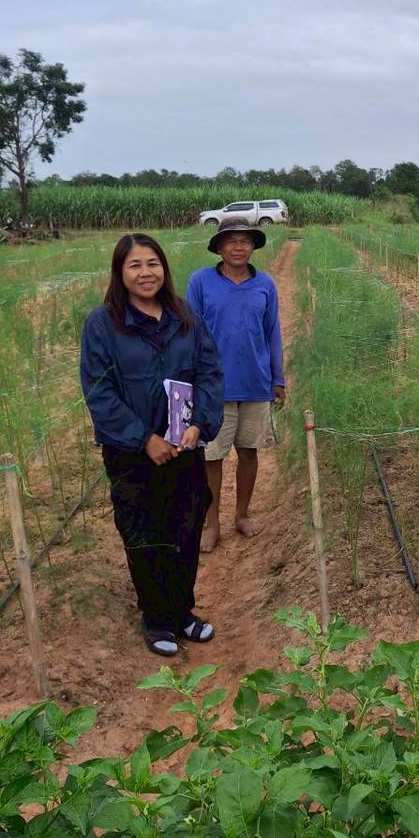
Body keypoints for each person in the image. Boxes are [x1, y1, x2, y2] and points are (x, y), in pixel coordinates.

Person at [80, 234, 223, 656]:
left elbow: (209, 372)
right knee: (145, 532)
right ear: (120, 273)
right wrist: (144, 439)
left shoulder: (185, 316)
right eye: (135, 265)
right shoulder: (103, 324)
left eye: (153, 263)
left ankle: (182, 612)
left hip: (184, 448)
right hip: (133, 456)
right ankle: (156, 617)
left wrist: (199, 425)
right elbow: (100, 391)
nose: (146, 273)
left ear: (164, 268)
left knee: (185, 525)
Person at [186, 216, 285, 552]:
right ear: (220, 247)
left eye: (245, 241)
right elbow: (190, 333)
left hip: (256, 383)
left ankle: (241, 515)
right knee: (211, 457)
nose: (239, 247)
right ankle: (211, 524)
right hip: (214, 387)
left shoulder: (265, 285)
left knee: (249, 451)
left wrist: (278, 379)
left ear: (253, 246)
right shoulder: (201, 283)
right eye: (232, 241)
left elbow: (273, 333)